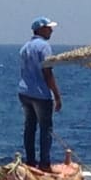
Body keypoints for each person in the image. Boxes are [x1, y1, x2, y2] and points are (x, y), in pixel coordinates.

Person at [18, 16, 62, 171]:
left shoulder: (25, 47)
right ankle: (44, 163)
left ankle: (30, 161)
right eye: (49, 28)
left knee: (29, 127)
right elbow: (47, 72)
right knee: (46, 128)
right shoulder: (44, 47)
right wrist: (57, 95)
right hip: (40, 93)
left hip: (25, 91)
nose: (51, 31)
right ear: (41, 29)